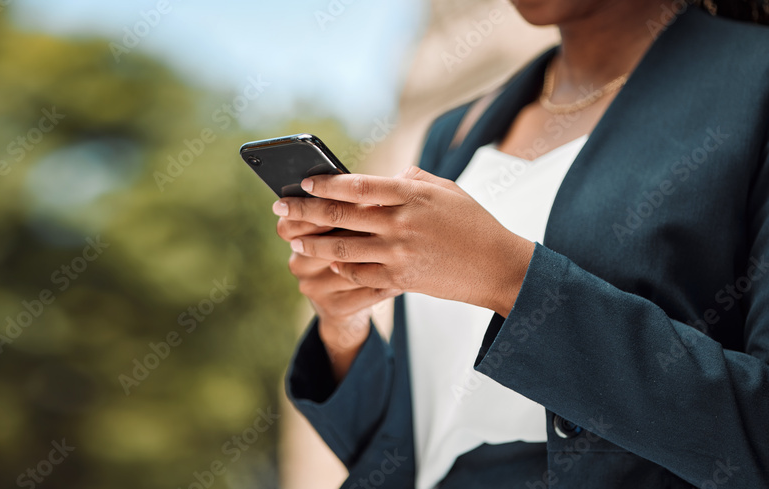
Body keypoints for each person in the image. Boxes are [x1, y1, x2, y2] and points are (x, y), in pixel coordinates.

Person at [275, 0, 769, 487]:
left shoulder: (751, 82)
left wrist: (508, 277)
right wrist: (345, 327)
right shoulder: (456, 133)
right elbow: (417, 446)